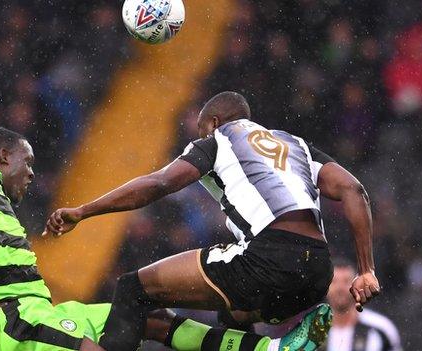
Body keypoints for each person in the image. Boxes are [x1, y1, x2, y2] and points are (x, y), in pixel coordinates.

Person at [0, 48, 323, 351]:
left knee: (150, 317)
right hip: (16, 321)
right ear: (2, 155)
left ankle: (272, 347)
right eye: (27, 163)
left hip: (42, 311)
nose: (32, 174)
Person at [47, 91, 381, 351]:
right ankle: (274, 346)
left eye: (201, 130)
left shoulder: (219, 140)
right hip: (316, 273)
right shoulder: (296, 145)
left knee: (132, 289)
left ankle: (273, 348)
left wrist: (84, 211)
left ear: (214, 122)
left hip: (268, 260)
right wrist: (366, 269)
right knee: (231, 317)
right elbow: (354, 189)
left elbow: (159, 184)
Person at [322, 258, 401, 351]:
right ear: (326, 287)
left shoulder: (380, 328)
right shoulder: (310, 331)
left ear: (357, 286)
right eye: (334, 282)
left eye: (346, 281)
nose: (340, 288)